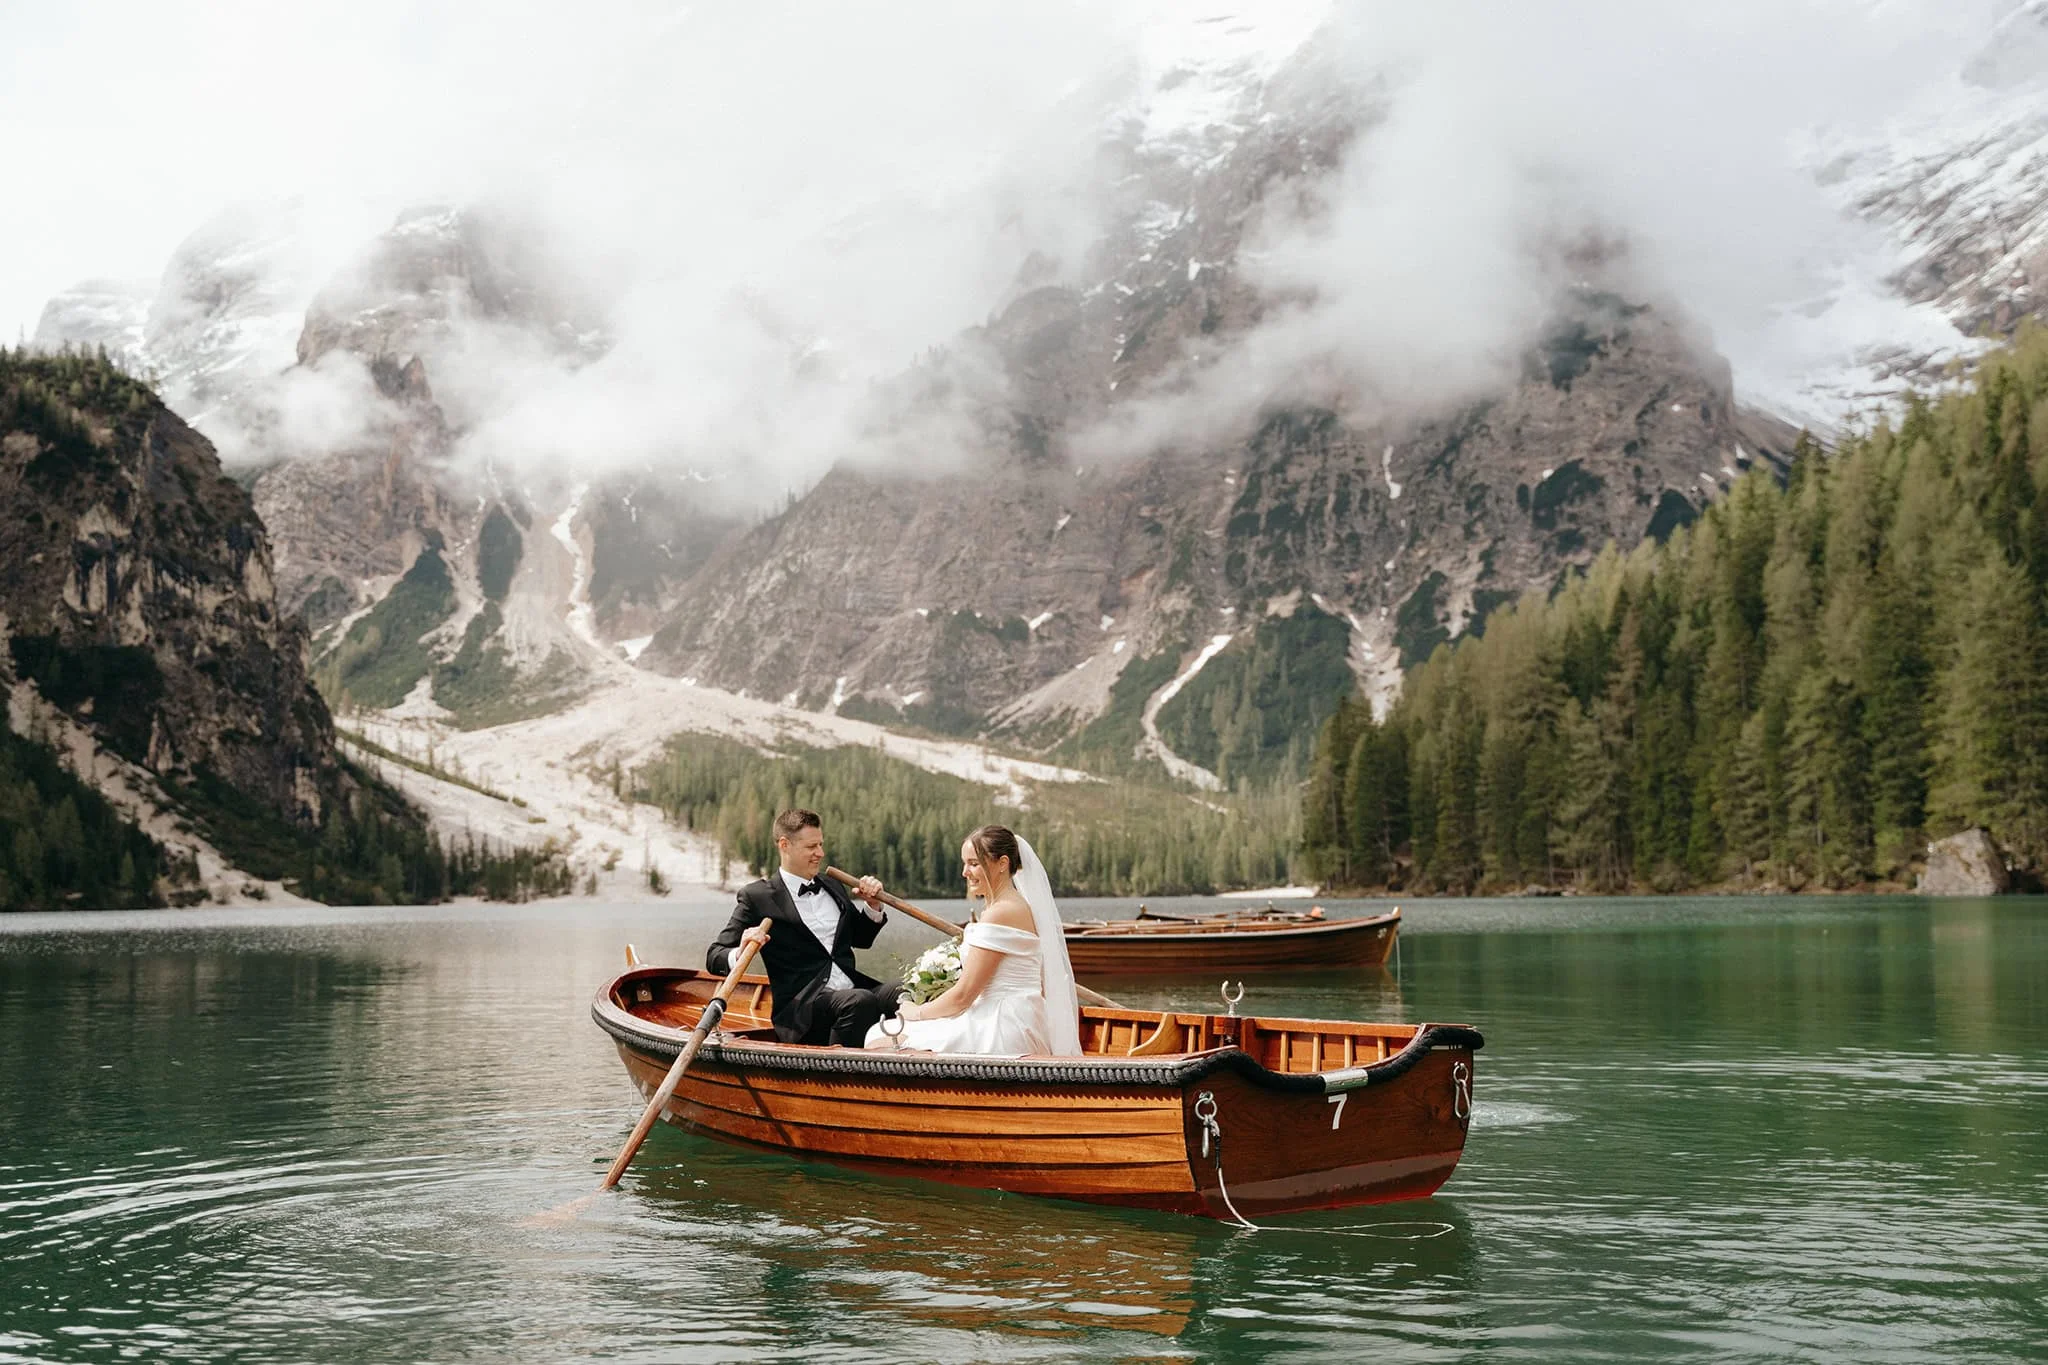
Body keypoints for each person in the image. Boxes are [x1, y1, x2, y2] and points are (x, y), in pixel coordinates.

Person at [863, 824, 1081, 1056]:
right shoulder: (1008, 906)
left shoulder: (1002, 912)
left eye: (974, 863)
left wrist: (916, 1012)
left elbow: (963, 996)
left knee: (878, 1037)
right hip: (1011, 1015)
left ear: (1002, 864)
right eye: (964, 863)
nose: (965, 872)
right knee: (884, 1034)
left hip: (1001, 1024)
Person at [706, 808, 899, 1046]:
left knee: (905, 991)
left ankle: (910, 1059)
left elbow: (861, 939)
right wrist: (742, 950)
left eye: (821, 845)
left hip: (852, 989)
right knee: (859, 1002)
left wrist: (873, 905)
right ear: (784, 845)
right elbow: (714, 956)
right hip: (802, 1009)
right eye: (811, 847)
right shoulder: (757, 896)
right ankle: (840, 1067)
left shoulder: (832, 885)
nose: (820, 853)